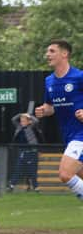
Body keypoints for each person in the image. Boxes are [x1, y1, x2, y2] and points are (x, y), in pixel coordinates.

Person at [35, 39, 83, 200]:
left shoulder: (79, 77)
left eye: (52, 51)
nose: (47, 54)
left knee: (65, 174)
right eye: (47, 51)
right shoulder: (49, 81)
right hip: (68, 137)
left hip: (80, 135)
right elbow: (51, 106)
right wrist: (44, 110)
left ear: (65, 54)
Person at [8, 112, 42, 192]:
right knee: (18, 169)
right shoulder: (19, 127)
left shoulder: (31, 127)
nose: (22, 122)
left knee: (33, 170)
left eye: (24, 120)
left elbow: (36, 121)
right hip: (22, 151)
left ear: (28, 121)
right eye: (21, 121)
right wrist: (20, 114)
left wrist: (29, 116)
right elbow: (13, 119)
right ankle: (11, 185)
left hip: (32, 151)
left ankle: (35, 187)